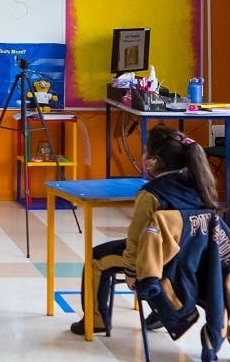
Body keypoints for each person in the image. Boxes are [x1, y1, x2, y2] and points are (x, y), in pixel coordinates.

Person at [73, 127, 221, 335]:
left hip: (156, 260)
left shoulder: (150, 194)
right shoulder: (199, 184)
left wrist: (131, 271)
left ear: (153, 161)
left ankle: (96, 320)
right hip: (190, 257)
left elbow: (136, 239)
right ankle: (162, 310)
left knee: (95, 258)